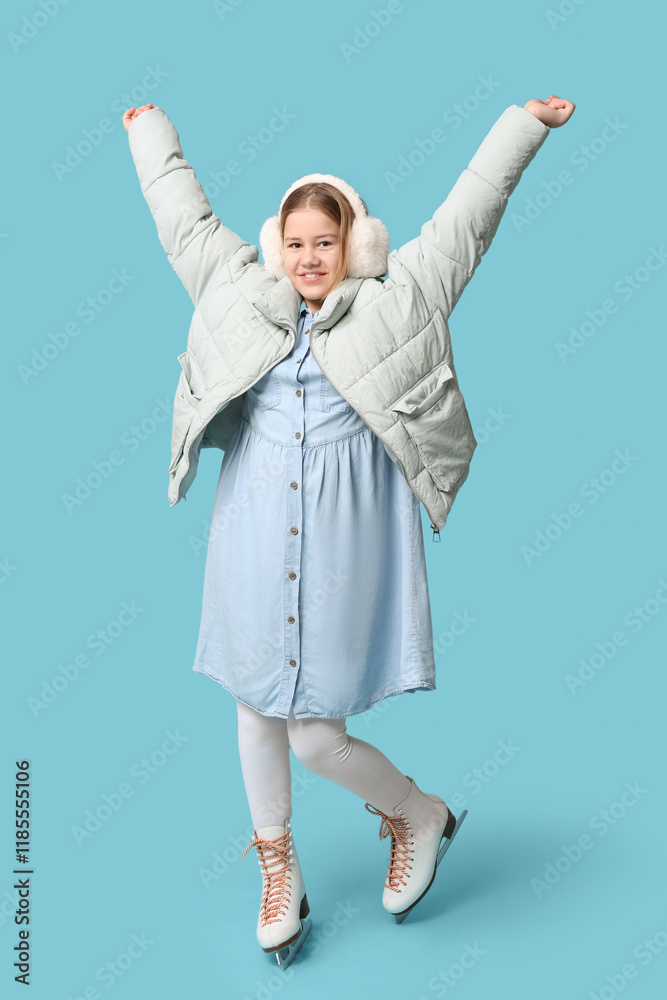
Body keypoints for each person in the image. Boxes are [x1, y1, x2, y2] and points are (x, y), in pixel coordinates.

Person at [123, 94, 575, 966]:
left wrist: (522, 124)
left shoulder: (398, 298)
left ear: (355, 245)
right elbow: (183, 221)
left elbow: (469, 214)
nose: (307, 258)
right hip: (252, 537)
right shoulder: (237, 293)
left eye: (323, 243)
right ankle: (277, 865)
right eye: (294, 243)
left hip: (345, 548)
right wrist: (150, 135)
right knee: (254, 706)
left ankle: (416, 812)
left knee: (314, 736)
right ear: (274, 246)